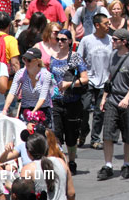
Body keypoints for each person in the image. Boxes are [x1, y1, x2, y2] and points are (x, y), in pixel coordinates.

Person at [96, 28, 129, 181]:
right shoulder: (113, 55)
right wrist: (104, 98)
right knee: (107, 133)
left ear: (123, 41)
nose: (112, 42)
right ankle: (108, 165)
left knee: (128, 135)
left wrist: (127, 98)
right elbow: (110, 77)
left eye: (115, 40)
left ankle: (126, 164)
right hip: (112, 100)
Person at [49, 29, 88, 175]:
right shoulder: (53, 57)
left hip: (72, 101)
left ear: (70, 41)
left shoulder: (75, 57)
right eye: (58, 39)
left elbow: (85, 79)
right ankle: (60, 162)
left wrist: (69, 84)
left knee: (71, 136)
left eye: (63, 39)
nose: (60, 42)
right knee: (56, 134)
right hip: (56, 101)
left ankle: (71, 161)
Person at [77, 13, 113, 149]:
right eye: (106, 24)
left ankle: (95, 138)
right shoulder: (87, 40)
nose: (108, 26)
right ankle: (83, 131)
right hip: (89, 80)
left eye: (109, 23)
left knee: (99, 111)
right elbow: (79, 59)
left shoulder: (111, 40)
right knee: (84, 108)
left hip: (104, 81)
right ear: (97, 25)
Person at [4, 48, 54, 127]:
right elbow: (12, 92)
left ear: (37, 61)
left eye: (29, 60)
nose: (26, 62)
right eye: (24, 59)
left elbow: (42, 97)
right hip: (26, 109)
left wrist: (33, 113)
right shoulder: (20, 74)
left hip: (43, 110)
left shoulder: (45, 75)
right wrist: (5, 109)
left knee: (42, 137)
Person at [20, 132, 75, 200]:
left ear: (28, 152)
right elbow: (71, 193)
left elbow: (23, 195)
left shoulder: (28, 169)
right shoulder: (61, 162)